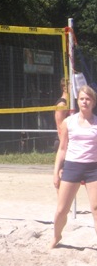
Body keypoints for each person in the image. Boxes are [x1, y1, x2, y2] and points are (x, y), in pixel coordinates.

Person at [50, 84, 97, 249]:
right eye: (82, 99)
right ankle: (56, 236)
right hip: (72, 166)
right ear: (78, 101)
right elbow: (62, 149)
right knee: (62, 209)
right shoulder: (68, 122)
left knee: (96, 208)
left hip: (93, 168)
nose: (85, 102)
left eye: (88, 99)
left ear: (93, 102)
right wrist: (56, 172)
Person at [54, 77, 70, 151]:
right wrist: (64, 146)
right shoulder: (62, 104)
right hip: (63, 142)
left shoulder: (70, 103)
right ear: (64, 88)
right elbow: (60, 126)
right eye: (72, 85)